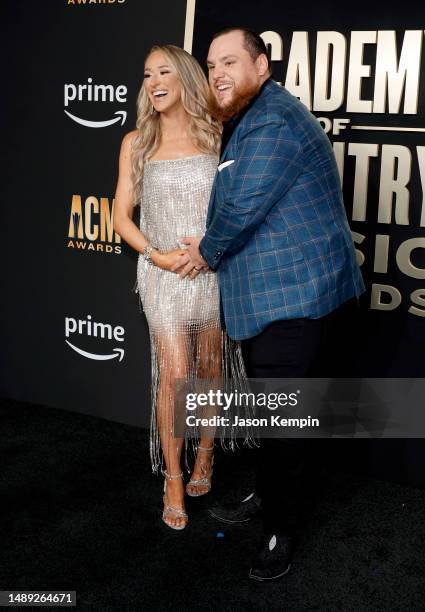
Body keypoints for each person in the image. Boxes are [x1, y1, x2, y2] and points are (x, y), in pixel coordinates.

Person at [179, 28, 365, 578]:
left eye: (230, 62)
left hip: (296, 303)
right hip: (290, 298)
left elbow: (238, 208)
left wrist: (205, 251)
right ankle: (270, 494)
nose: (217, 74)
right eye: (211, 65)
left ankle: (280, 530)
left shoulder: (271, 121)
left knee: (283, 426)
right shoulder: (254, 117)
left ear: (262, 66)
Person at [113, 44, 246, 531]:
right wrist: (156, 255)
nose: (154, 82)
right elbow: (119, 216)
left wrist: (207, 252)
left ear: (186, 77)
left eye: (164, 71)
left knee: (210, 365)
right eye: (147, 74)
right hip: (163, 272)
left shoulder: (218, 136)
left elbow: (237, 209)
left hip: (211, 269)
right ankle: (173, 477)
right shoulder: (137, 142)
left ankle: (205, 452)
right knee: (174, 372)